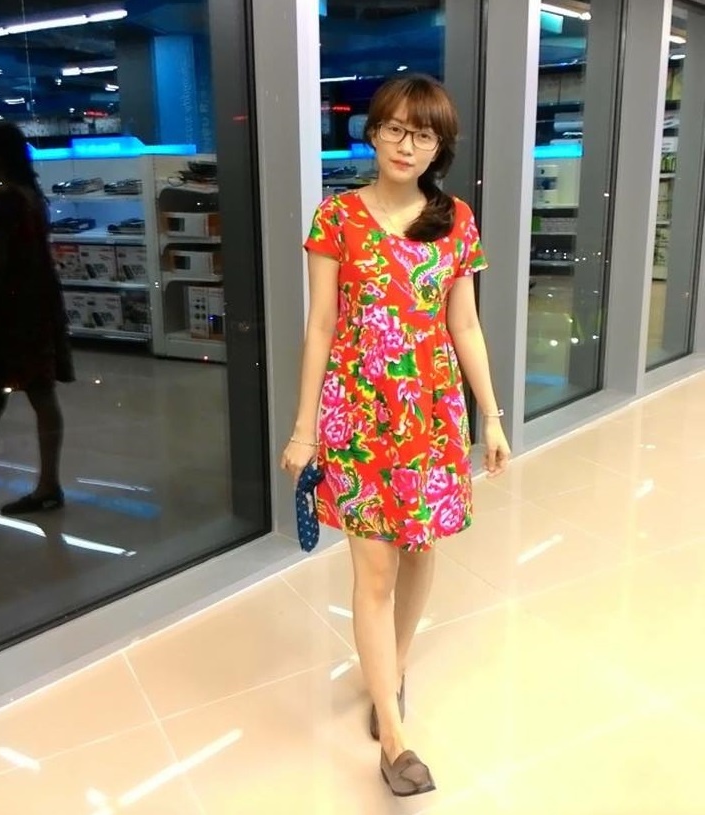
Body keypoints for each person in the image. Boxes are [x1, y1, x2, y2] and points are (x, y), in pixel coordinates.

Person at [281, 74, 510, 797]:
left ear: (440, 147)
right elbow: (320, 326)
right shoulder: (336, 219)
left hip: (432, 418)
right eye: (394, 128)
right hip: (357, 418)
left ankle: (394, 667)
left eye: (424, 134)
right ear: (373, 132)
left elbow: (464, 324)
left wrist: (491, 415)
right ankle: (393, 735)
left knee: (420, 550)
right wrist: (304, 429)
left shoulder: (456, 220)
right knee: (373, 572)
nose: (407, 145)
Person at [0, 121, 74, 516]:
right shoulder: (32, 197)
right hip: (38, 306)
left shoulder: (2, 200)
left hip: (6, 313)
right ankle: (49, 483)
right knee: (42, 395)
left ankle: (48, 487)